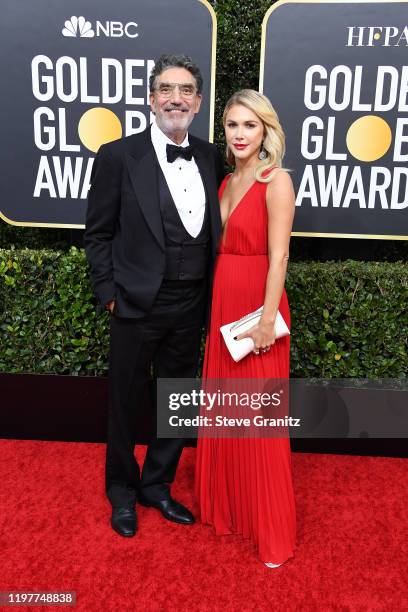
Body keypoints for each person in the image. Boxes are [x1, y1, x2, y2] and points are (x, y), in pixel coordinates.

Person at [84, 54, 224, 538]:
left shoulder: (209, 155)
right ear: (151, 97)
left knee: (177, 399)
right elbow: (98, 233)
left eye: (186, 90)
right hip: (136, 302)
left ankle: (157, 486)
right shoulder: (118, 155)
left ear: (199, 101)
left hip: (192, 304)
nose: (176, 99)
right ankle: (121, 491)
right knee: (123, 402)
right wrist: (108, 293)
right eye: (167, 89)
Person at [195, 90, 296, 567]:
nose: (239, 134)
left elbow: (279, 256)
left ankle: (271, 532)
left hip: (259, 304)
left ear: (266, 131)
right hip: (223, 302)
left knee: (260, 420)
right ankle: (232, 511)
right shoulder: (226, 182)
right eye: (233, 125)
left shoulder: (276, 181)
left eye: (249, 125)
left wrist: (264, 320)